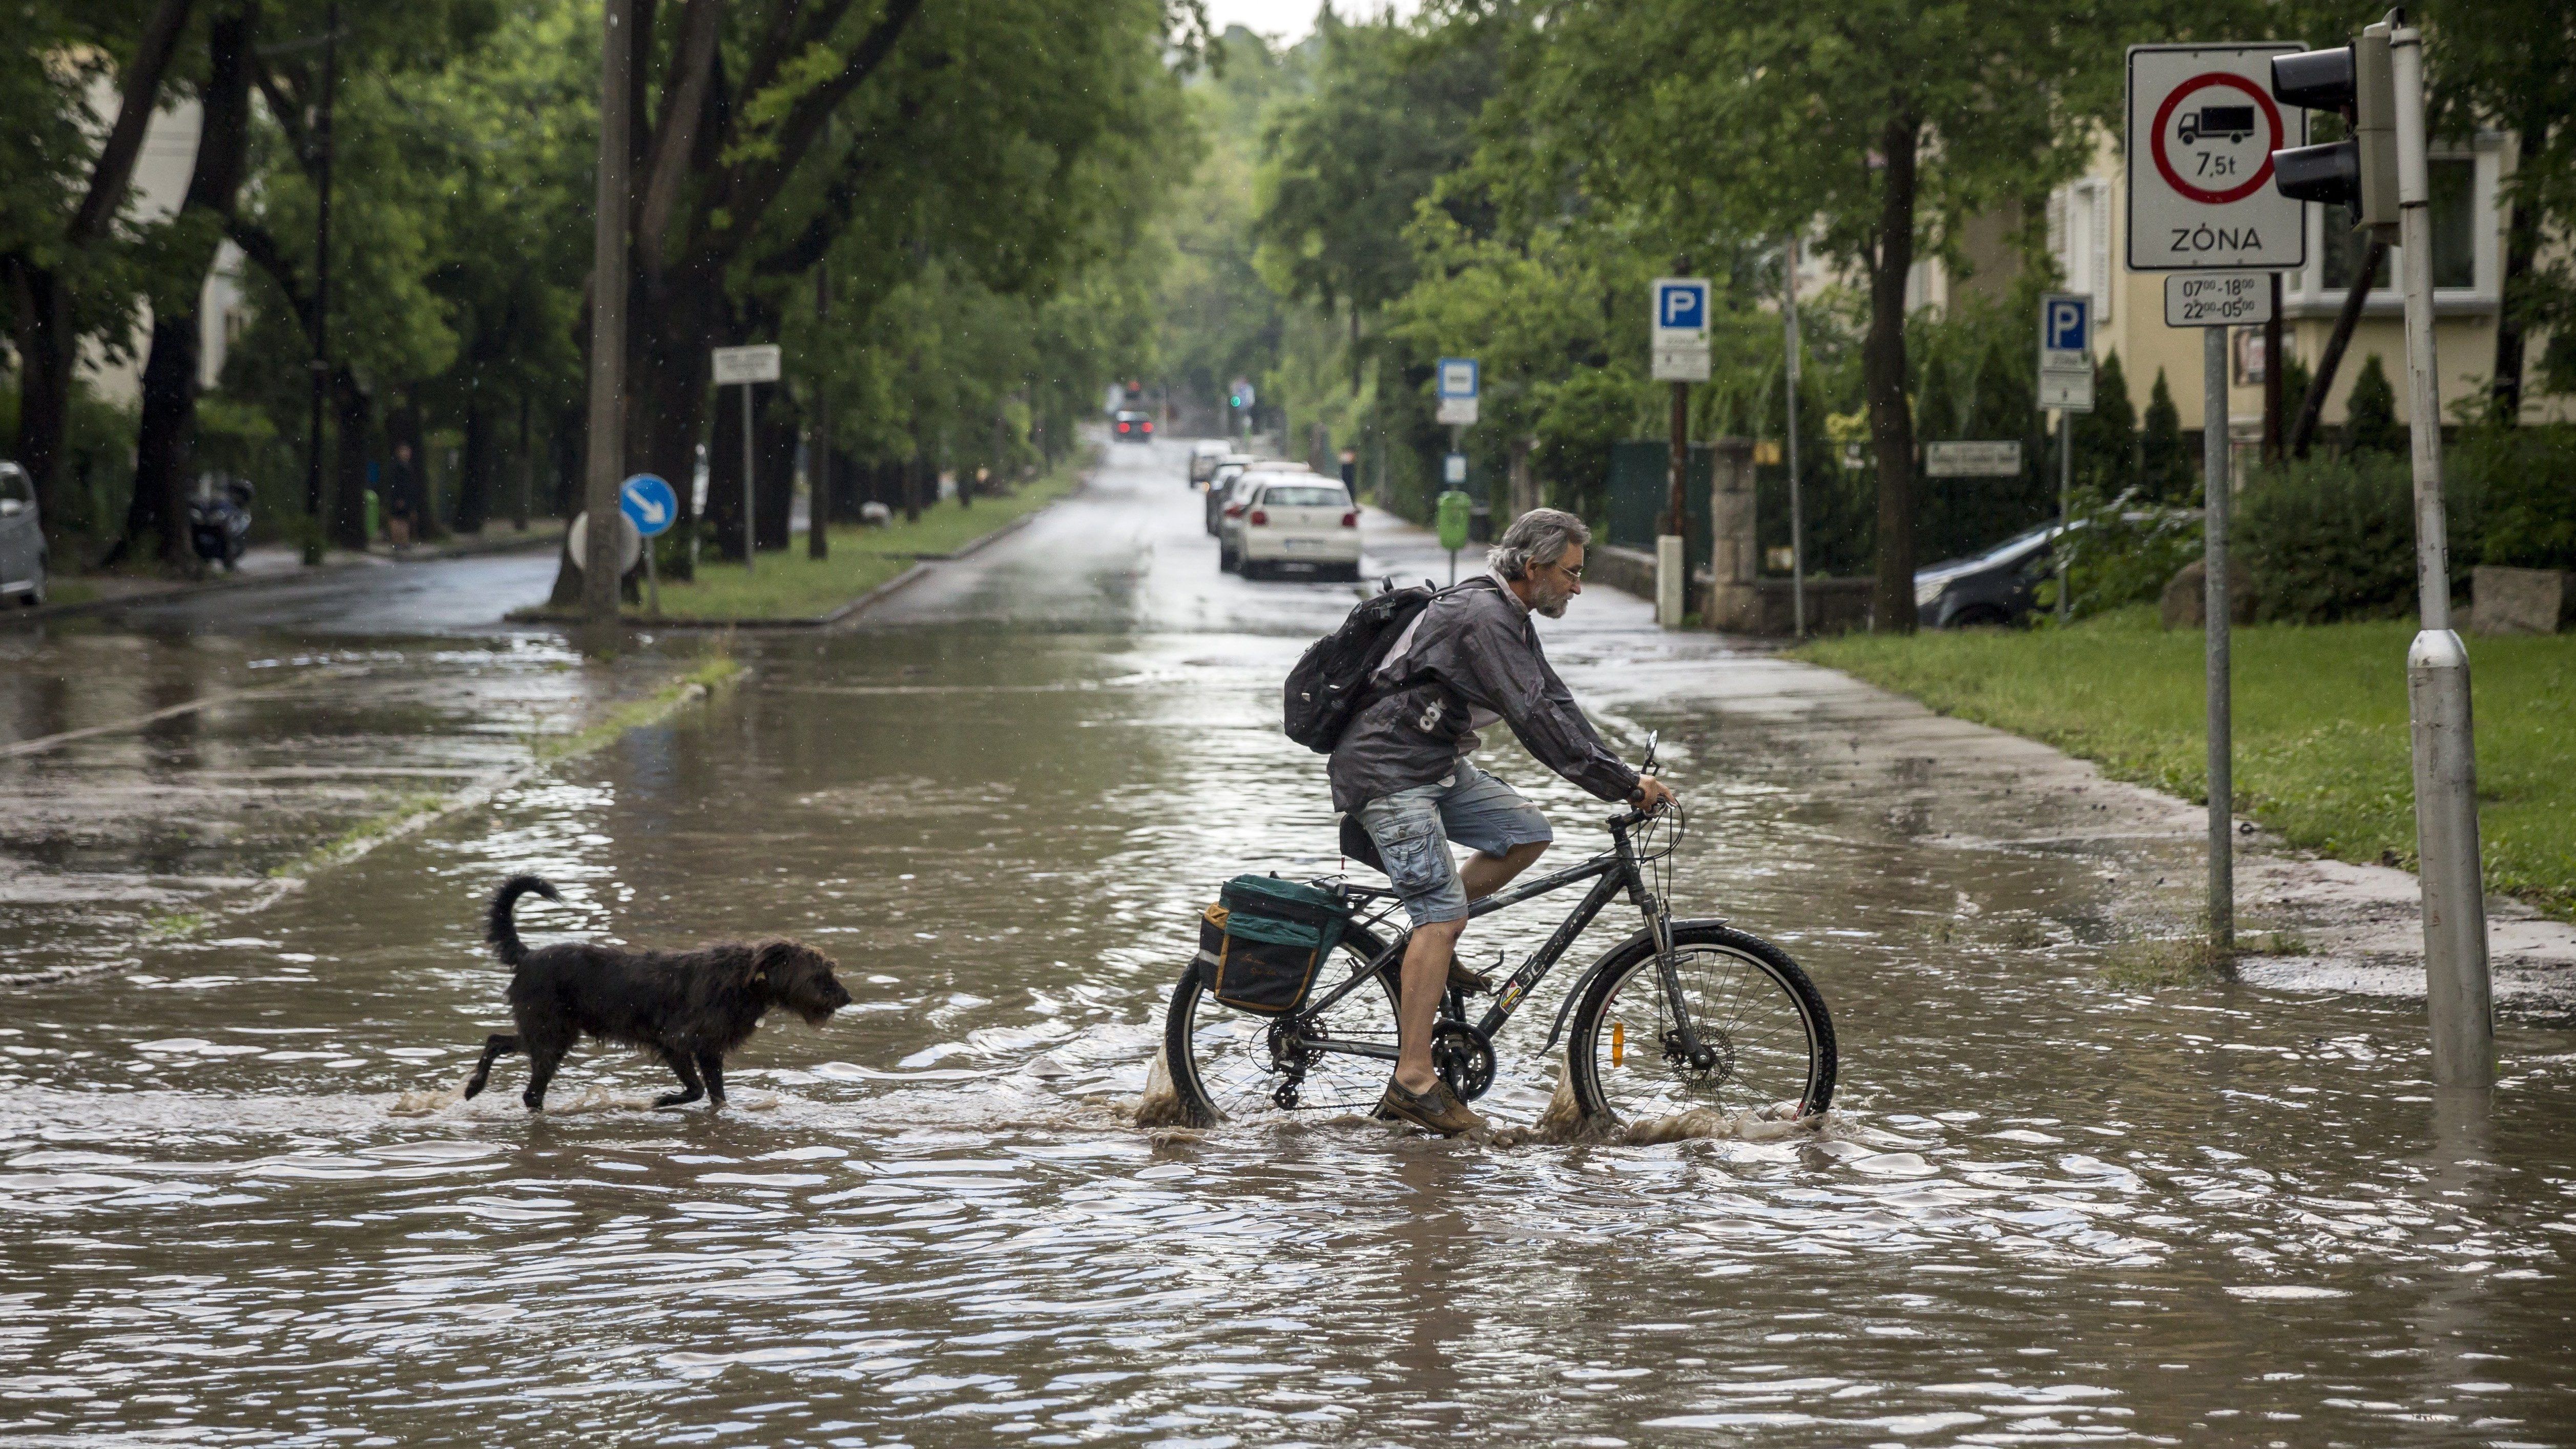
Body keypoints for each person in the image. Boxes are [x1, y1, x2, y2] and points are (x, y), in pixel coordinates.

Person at [1331, 507, 1674, 1135]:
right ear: (1532, 566)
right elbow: (1534, 721)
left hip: (1429, 761)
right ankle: (1412, 1079)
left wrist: (1624, 775)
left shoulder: (1507, 613)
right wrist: (1621, 786)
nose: (1577, 585)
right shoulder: (1485, 616)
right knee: (1442, 912)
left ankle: (1423, 952)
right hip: (1389, 769)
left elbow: (1554, 698)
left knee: (1525, 833)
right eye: (1569, 573)